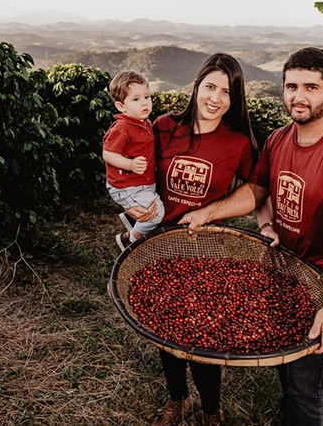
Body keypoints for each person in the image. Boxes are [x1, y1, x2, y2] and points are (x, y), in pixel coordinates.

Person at [179, 47, 323, 425]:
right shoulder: (279, 139)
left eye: (311, 88)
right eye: (291, 86)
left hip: (320, 281)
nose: (298, 97)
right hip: (283, 267)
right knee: (287, 364)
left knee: (306, 386)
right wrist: (209, 211)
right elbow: (257, 190)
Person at [123, 53, 258, 426]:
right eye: (210, 86)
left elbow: (256, 188)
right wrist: (131, 203)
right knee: (165, 327)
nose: (215, 98)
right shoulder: (164, 127)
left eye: (226, 92)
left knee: (204, 333)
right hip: (160, 247)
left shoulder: (237, 142)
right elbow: (133, 169)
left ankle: (212, 410)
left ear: (235, 100)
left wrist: (213, 212)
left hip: (206, 251)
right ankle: (176, 399)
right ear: (196, 86)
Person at [103, 70, 165, 251]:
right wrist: (129, 164)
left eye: (147, 96)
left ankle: (132, 218)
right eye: (136, 99)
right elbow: (108, 154)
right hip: (127, 185)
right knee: (156, 213)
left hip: (142, 182)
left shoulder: (144, 122)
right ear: (121, 107)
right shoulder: (122, 127)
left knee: (153, 205)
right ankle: (130, 239)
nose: (144, 102)